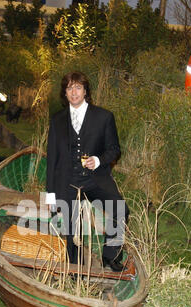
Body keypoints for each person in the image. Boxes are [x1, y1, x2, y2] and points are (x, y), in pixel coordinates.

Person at [45, 71, 129, 272]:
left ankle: (110, 256)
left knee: (120, 209)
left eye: (78, 87)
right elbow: (52, 159)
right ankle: (76, 268)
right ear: (65, 93)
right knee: (72, 226)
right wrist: (50, 195)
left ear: (85, 91)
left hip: (95, 180)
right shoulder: (57, 120)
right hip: (67, 180)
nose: (74, 92)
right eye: (69, 88)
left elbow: (114, 150)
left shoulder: (104, 117)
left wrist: (99, 160)